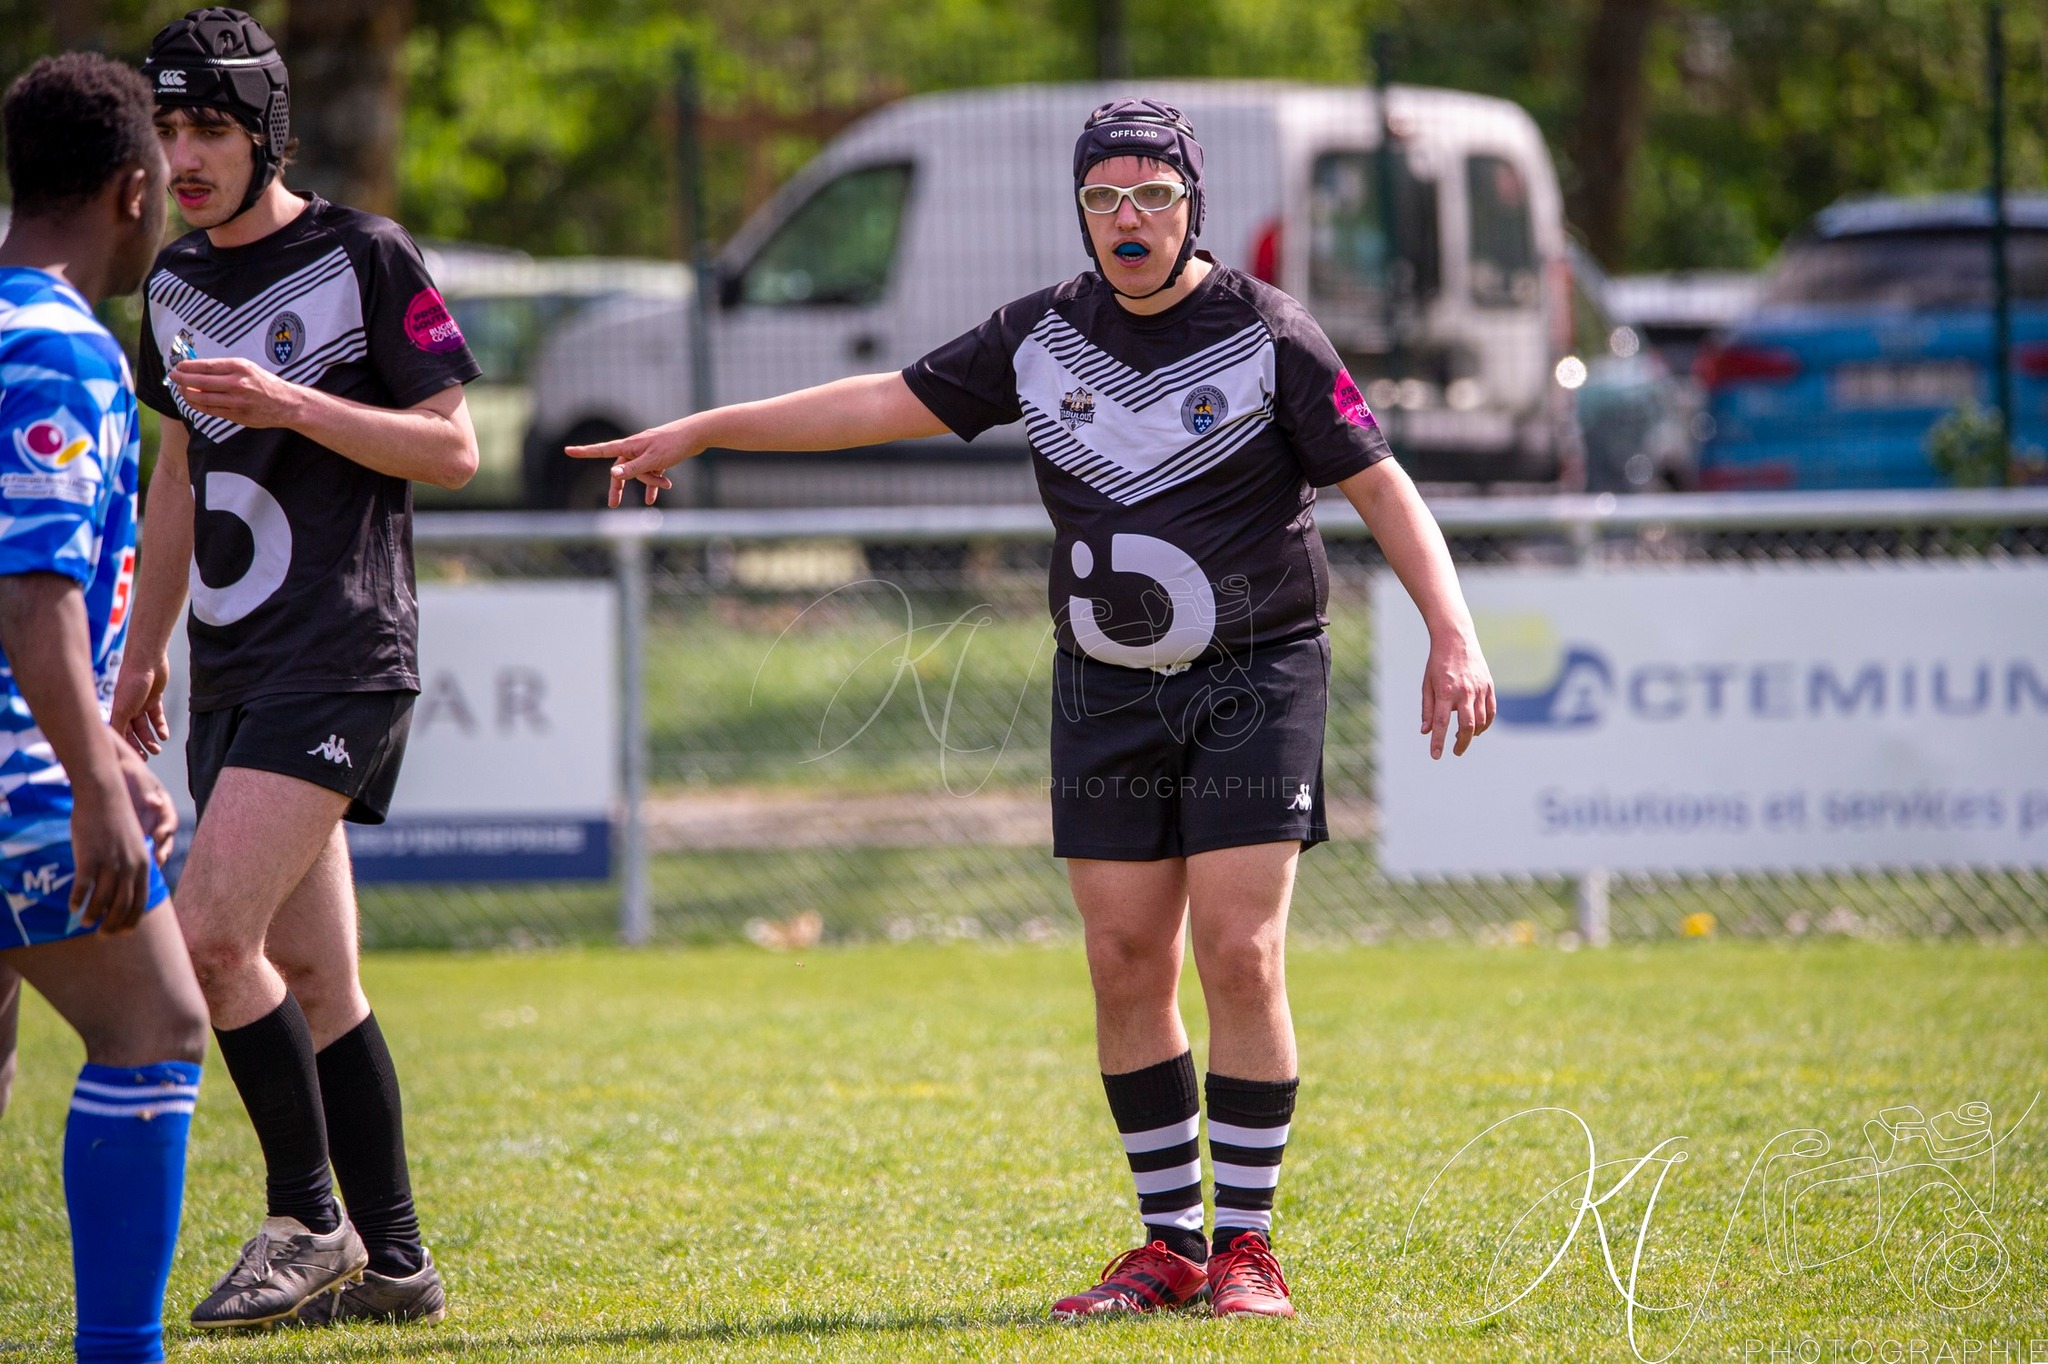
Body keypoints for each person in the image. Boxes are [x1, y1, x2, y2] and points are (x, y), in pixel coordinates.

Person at [571, 99, 1497, 1320]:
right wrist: (704, 428)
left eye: (1153, 196)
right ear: (1080, 210)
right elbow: (874, 401)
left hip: (1256, 671)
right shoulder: (1042, 333)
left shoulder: (1272, 335)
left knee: (1238, 945)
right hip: (1103, 684)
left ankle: (1247, 1248)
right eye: (1105, 197)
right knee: (1122, 956)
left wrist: (1452, 628)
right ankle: (1167, 1245)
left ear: (1190, 206)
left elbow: (1381, 488)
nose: (1129, 219)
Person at [108, 6, 481, 1330]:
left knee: (212, 939)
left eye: (209, 124)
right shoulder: (170, 281)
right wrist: (141, 656)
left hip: (343, 651)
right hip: (236, 663)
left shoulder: (363, 254)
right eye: (166, 128)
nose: (186, 153)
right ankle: (396, 1264)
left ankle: (303, 1218)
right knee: (317, 980)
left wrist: (295, 403)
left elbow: (452, 451)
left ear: (265, 130)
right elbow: (175, 473)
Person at [0, 51, 213, 1363]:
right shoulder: (61, 347)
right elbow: (29, 596)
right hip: (16, 773)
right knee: (157, 1027)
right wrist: (89, 778)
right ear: (133, 189)